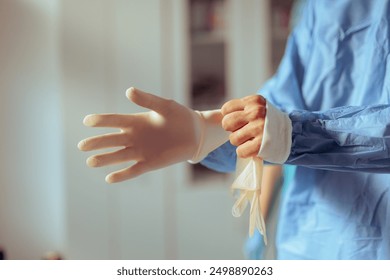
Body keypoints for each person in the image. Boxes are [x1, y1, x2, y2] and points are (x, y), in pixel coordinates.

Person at [79, 0, 390, 259]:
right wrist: (205, 135)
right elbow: (277, 113)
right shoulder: (323, 6)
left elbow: (287, 131)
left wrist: (289, 135)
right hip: (309, 246)